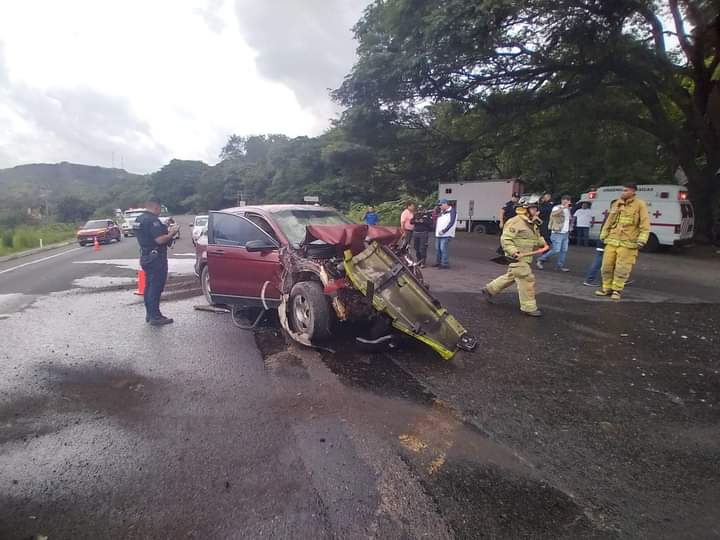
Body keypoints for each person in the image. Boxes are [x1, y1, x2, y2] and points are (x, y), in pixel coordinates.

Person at [482, 201, 548, 317]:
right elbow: (506, 239)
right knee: (526, 279)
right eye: (533, 209)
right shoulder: (515, 222)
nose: (536, 211)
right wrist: (514, 252)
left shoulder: (531, 222)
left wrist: (543, 244)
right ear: (525, 209)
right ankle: (529, 307)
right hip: (517, 257)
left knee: (512, 276)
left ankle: (490, 289)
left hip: (525, 257)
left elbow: (535, 237)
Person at [595, 183, 650, 300]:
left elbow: (645, 224)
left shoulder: (640, 205)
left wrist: (642, 239)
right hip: (612, 240)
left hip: (628, 242)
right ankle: (606, 288)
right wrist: (604, 234)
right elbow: (609, 220)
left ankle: (617, 290)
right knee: (606, 266)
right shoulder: (617, 203)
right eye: (623, 190)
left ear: (633, 192)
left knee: (622, 268)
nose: (623, 192)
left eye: (626, 190)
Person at [136, 197, 180, 325]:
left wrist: (164, 226)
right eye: (159, 208)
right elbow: (160, 240)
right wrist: (172, 232)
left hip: (145, 256)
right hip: (156, 258)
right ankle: (156, 317)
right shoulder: (152, 220)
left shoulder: (140, 219)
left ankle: (150, 314)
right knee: (156, 287)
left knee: (149, 287)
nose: (160, 211)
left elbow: (148, 234)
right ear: (156, 207)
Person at [536, 194, 573, 271]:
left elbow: (569, 219)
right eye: (565, 200)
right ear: (562, 201)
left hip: (565, 233)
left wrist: (568, 210)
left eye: (568, 201)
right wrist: (563, 207)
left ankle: (560, 266)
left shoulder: (568, 209)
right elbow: (553, 214)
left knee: (564, 250)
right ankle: (541, 259)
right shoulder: (557, 207)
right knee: (556, 249)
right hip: (557, 232)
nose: (567, 202)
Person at [434, 199, 456, 269]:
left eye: (441, 205)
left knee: (443, 249)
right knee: (438, 249)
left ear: (445, 204)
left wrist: (444, 230)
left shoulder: (452, 211)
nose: (440, 206)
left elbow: (451, 222)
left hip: (446, 234)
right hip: (439, 234)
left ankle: (444, 264)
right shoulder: (442, 211)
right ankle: (438, 262)